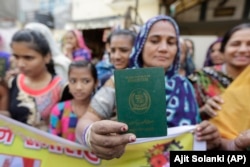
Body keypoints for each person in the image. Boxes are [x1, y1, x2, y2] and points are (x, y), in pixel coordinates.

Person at [75, 15, 218, 160]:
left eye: (171, 42)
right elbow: (85, 121)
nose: (163, 48)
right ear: (141, 44)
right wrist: (90, 135)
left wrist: (206, 133)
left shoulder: (185, 85)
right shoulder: (120, 81)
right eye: (155, 41)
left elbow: (196, 127)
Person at [8, 29, 72, 131]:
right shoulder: (13, 82)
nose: (20, 64)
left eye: (28, 58)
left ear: (47, 57)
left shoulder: (62, 88)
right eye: (16, 57)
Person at [189, 23, 250, 119]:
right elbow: (184, 117)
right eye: (235, 44)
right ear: (224, 49)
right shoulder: (202, 77)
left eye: (249, 44)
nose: (243, 49)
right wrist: (204, 110)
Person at [49, 60, 98, 142]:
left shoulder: (100, 111)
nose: (78, 87)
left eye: (86, 81)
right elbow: (53, 142)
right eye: (73, 81)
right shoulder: (59, 110)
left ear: (96, 83)